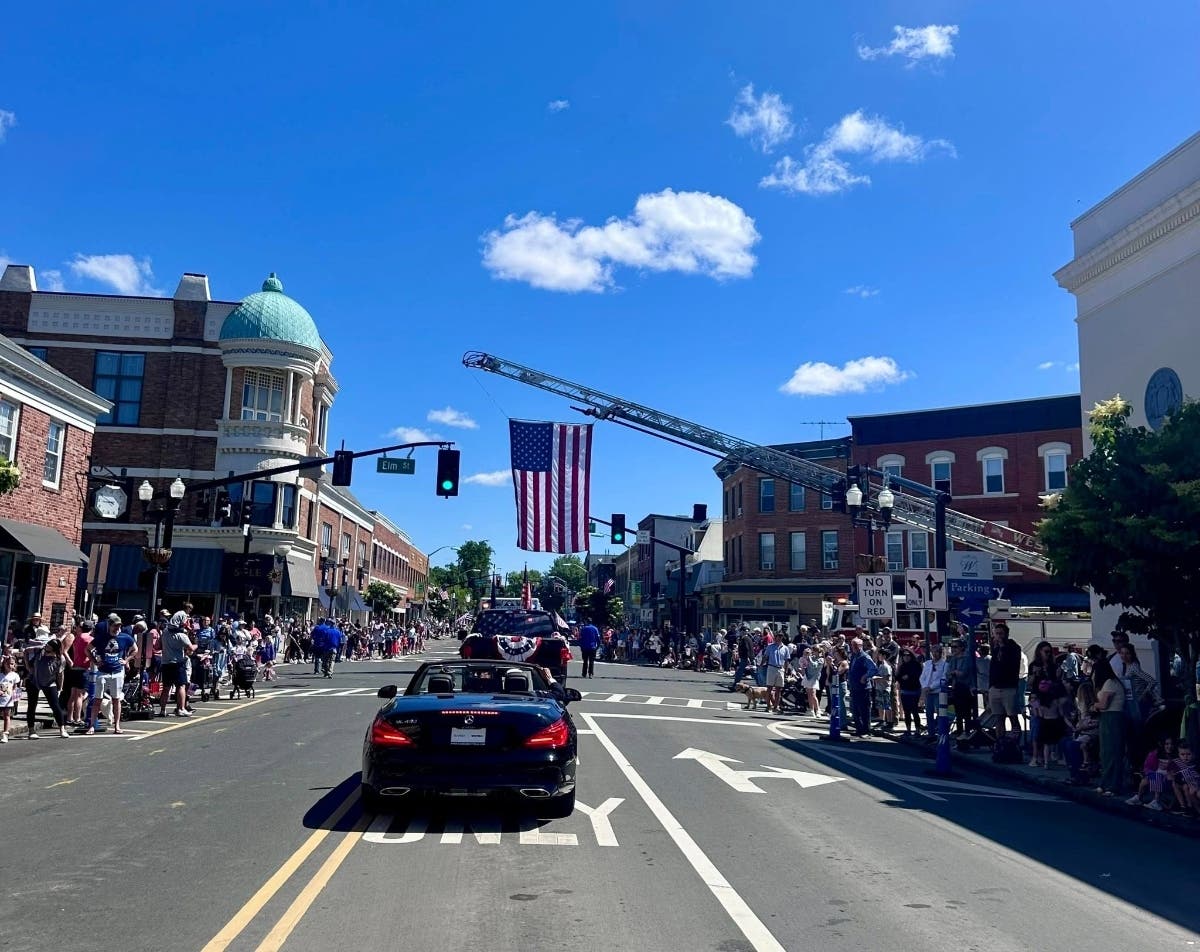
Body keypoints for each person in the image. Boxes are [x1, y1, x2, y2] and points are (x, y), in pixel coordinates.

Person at [86, 619, 139, 735]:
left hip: (117, 671)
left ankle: (117, 725)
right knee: (97, 699)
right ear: (109, 626)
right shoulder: (101, 638)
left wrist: (126, 660)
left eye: (119, 626)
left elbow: (135, 649)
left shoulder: (125, 637)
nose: (117, 628)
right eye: (115, 626)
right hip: (103, 672)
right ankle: (92, 726)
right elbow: (88, 649)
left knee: (116, 699)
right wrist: (95, 661)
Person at [1091, 656, 1126, 796]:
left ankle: (1113, 785)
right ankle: (1105, 783)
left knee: (1113, 751)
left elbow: (1104, 704)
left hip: (1113, 717)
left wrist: (1094, 705)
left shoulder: (1111, 683)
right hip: (1107, 718)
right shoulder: (1108, 683)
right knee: (1105, 752)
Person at [158, 604, 196, 718]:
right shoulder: (181, 635)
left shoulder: (165, 632)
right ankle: (181, 708)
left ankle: (162, 710)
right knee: (181, 686)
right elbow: (190, 648)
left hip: (166, 662)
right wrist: (196, 645)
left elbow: (159, 644)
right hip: (178, 663)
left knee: (166, 688)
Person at [988, 623, 1023, 736]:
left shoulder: (1013, 648)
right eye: (996, 634)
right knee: (999, 718)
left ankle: (1016, 740)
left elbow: (1011, 665)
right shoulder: (995, 648)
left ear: (1006, 634)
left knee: (1013, 717)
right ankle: (1000, 740)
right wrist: (990, 686)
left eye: (1001, 633)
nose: (998, 636)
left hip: (1009, 687)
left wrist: (1003, 646)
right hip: (995, 687)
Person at [847, 638, 877, 736]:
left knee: (864, 710)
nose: (854, 647)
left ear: (861, 646)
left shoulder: (865, 657)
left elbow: (873, 669)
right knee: (855, 710)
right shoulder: (854, 656)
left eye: (856, 645)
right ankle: (859, 729)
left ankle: (866, 730)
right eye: (852, 645)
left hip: (863, 688)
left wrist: (865, 676)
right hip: (854, 687)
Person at [896, 647, 923, 735]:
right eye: (904, 655)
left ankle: (918, 730)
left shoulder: (916, 664)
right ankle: (908, 730)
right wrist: (901, 676)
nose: (906, 657)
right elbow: (897, 677)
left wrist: (909, 676)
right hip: (904, 691)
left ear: (911, 656)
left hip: (915, 690)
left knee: (915, 711)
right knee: (906, 711)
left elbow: (918, 675)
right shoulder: (902, 666)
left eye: (908, 655)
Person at [762, 633, 791, 714]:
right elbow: (765, 656)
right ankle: (768, 706)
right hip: (771, 667)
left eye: (781, 637)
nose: (779, 638)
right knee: (769, 688)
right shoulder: (770, 646)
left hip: (780, 669)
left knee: (779, 689)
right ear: (775, 637)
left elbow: (786, 660)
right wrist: (761, 665)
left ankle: (776, 706)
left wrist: (786, 671)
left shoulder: (785, 648)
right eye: (778, 637)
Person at [0, 655, 19, 742]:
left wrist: (15, 696)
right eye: (7, 663)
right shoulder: (0, 675)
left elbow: (16, 687)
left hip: (8, 699)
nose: (9, 665)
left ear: (14, 665)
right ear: (3, 664)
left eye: (11, 664)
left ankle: (5, 734)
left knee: (7, 716)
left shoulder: (15, 676)